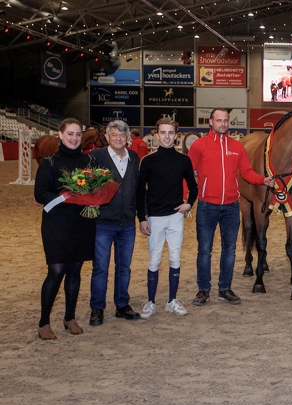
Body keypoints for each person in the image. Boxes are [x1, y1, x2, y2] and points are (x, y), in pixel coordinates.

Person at [188, 108, 274, 306]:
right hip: (207, 206)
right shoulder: (199, 146)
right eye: (219, 120)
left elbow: (246, 173)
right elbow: (187, 173)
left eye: (226, 120)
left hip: (231, 207)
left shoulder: (237, 146)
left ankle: (225, 288)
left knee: (229, 250)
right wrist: (185, 200)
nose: (223, 124)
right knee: (204, 250)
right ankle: (203, 290)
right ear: (211, 122)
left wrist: (263, 180)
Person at [34, 118, 96, 340]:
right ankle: (44, 322)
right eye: (70, 134)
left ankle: (69, 317)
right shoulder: (49, 162)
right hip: (57, 223)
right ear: (60, 135)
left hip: (81, 223)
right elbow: (40, 193)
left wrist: (95, 199)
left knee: (75, 270)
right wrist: (63, 197)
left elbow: (95, 189)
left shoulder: (88, 161)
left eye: (77, 134)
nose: (74, 138)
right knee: (56, 270)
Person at [136, 118, 198, 318]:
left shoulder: (183, 160)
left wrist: (189, 203)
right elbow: (139, 191)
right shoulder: (148, 161)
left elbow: (194, 185)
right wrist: (142, 218)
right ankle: (151, 302)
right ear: (156, 135)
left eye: (170, 133)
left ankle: (172, 300)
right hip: (154, 218)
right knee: (154, 261)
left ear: (176, 135)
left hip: (175, 217)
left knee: (174, 258)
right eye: (163, 132)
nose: (166, 136)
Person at [88, 120, 141, 326]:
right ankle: (97, 308)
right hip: (103, 223)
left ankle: (122, 305)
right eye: (114, 135)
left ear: (128, 138)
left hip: (127, 223)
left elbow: (137, 188)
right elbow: (87, 184)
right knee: (100, 267)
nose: (119, 139)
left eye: (122, 136)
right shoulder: (96, 156)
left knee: (124, 267)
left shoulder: (134, 157)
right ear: (108, 137)